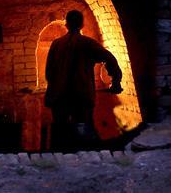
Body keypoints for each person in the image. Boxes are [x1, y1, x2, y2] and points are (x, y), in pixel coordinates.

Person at [44, 10, 123, 147]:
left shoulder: (56, 44)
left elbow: (49, 72)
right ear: (82, 24)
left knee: (60, 134)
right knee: (83, 135)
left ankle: (60, 160)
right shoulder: (87, 43)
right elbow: (109, 58)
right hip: (81, 97)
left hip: (59, 97)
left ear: (66, 24)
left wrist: (54, 88)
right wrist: (115, 80)